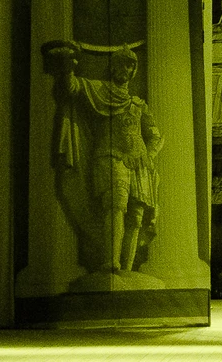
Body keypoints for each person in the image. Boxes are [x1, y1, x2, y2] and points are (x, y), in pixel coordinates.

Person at [41, 41, 162, 276]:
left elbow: (154, 135)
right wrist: (67, 68)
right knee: (115, 206)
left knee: (136, 217)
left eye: (130, 66)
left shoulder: (138, 105)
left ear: (133, 71)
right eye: (121, 64)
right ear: (113, 67)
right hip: (110, 157)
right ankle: (111, 261)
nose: (125, 69)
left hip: (139, 164)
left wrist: (149, 155)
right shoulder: (99, 90)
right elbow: (72, 88)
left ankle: (127, 268)